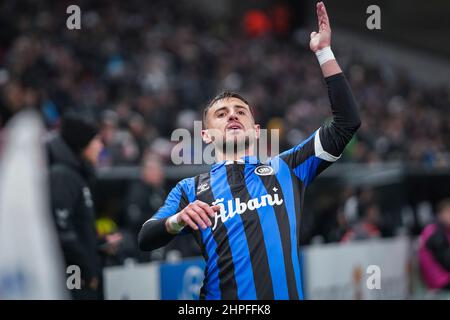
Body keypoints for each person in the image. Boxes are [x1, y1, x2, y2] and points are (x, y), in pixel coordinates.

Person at [138, 2, 360, 300]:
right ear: (205, 135)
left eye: (241, 111)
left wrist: (323, 52)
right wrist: (176, 220)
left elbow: (347, 123)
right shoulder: (188, 190)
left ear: (256, 130)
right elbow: (145, 238)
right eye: (222, 113)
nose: (232, 116)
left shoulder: (287, 168)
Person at [47, 113, 104, 299]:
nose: (100, 146)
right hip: (75, 281)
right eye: (96, 140)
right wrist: (87, 271)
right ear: (83, 143)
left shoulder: (76, 175)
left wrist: (99, 245)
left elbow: (77, 230)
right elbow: (61, 231)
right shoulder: (63, 176)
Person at [418, 199, 450, 291]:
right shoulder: (435, 232)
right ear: (441, 215)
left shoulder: (443, 230)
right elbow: (446, 261)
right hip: (441, 282)